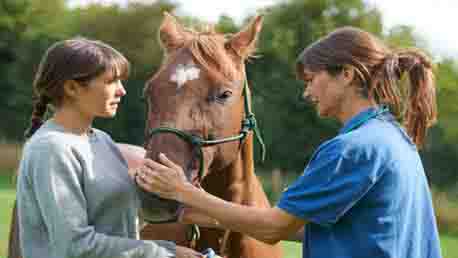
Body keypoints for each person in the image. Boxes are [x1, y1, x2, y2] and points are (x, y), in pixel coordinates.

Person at [137, 27, 442, 258]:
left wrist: (182, 190)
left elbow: (273, 228)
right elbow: (309, 227)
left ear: (346, 75)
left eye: (311, 80)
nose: (307, 93)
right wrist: (192, 214)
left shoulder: (351, 150)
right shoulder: (393, 137)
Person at [16, 37, 202, 258]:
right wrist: (166, 253)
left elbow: (117, 223)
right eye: (111, 81)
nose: (122, 91)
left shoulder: (102, 139)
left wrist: (184, 200)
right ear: (72, 87)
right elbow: (74, 247)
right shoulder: (50, 149)